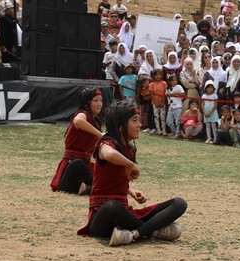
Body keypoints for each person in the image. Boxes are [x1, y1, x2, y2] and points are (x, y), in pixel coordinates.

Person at [77, 102, 187, 247]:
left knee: (179, 203)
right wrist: (130, 164)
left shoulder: (128, 149)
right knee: (112, 206)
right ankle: (153, 230)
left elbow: (114, 179)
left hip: (126, 214)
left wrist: (131, 191)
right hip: (102, 216)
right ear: (121, 125)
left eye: (138, 120)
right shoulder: (106, 143)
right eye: (134, 120)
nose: (139, 125)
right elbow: (109, 155)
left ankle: (136, 233)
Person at [51, 88, 105, 194]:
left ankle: (87, 189)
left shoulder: (96, 120)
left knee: (107, 177)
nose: (99, 104)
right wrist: (99, 134)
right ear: (87, 102)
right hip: (72, 168)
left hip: (86, 165)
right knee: (78, 164)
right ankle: (88, 187)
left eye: (101, 100)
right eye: (96, 100)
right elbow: (78, 121)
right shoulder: (83, 114)